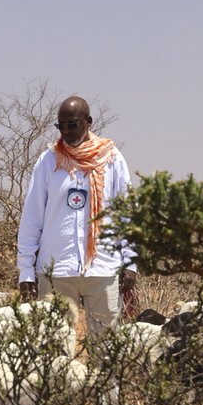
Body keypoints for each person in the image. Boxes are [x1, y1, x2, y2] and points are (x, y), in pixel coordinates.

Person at [16, 95, 137, 336]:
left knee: (107, 350)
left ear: (88, 122)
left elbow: (127, 214)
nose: (66, 131)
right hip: (56, 270)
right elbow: (32, 217)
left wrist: (130, 260)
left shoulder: (111, 158)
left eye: (71, 125)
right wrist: (26, 270)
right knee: (52, 348)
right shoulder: (48, 160)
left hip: (102, 268)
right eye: (60, 126)